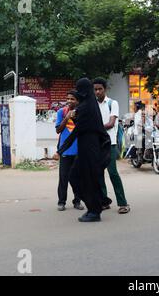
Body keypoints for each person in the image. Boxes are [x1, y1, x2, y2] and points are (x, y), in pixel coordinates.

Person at [56, 78, 112, 222]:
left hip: (89, 149)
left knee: (83, 178)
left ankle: (94, 210)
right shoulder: (90, 105)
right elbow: (83, 127)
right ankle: (100, 201)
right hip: (89, 148)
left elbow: (77, 131)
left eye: (79, 89)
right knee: (85, 177)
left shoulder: (85, 107)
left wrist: (60, 150)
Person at [94, 77, 130, 214]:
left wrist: (94, 128)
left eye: (100, 89)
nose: (97, 92)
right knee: (98, 174)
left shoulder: (112, 103)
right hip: (96, 144)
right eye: (95, 89)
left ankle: (123, 203)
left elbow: (110, 124)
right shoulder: (93, 104)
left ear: (105, 89)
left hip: (110, 144)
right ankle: (104, 201)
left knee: (113, 173)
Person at [55, 90, 84, 211]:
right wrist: (67, 118)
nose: (69, 101)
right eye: (68, 98)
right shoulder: (61, 112)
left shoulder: (82, 112)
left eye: (72, 99)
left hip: (79, 151)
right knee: (63, 178)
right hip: (65, 151)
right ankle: (61, 201)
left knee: (77, 178)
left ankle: (77, 201)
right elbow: (58, 130)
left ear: (78, 101)